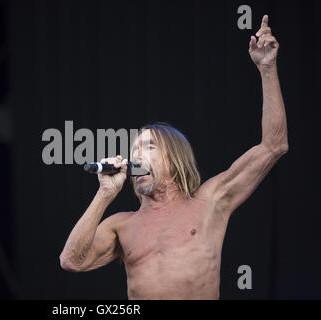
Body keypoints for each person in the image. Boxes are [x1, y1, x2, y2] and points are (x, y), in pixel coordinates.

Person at [60, 15, 288, 299]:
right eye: (134, 150)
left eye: (149, 147)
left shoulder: (211, 202)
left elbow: (273, 145)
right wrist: (105, 194)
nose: (137, 155)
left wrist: (267, 68)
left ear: (173, 159)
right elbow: (72, 261)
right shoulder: (122, 224)